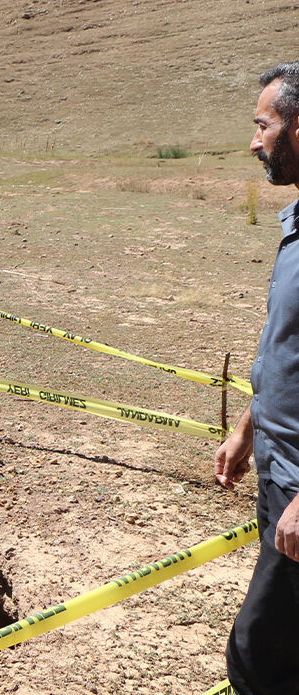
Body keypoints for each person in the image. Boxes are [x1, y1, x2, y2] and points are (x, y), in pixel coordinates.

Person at [215, 61, 299, 695]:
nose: (253, 142)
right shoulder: (296, 224)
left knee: (256, 653)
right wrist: (247, 427)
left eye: (263, 126)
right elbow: (286, 346)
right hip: (279, 469)